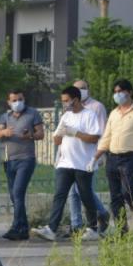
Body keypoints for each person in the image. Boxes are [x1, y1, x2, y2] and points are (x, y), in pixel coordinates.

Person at [32, 85, 104, 242]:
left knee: (85, 195)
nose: (64, 104)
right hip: (65, 163)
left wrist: (75, 133)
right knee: (59, 195)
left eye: (66, 101)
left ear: (76, 100)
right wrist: (61, 134)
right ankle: (51, 229)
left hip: (83, 163)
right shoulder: (66, 116)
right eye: (63, 101)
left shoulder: (89, 115)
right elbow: (56, 139)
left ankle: (92, 228)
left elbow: (94, 138)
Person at [92, 78, 133, 238]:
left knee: (127, 192)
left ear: (130, 92)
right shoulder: (113, 113)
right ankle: (122, 229)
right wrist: (95, 157)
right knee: (115, 196)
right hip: (112, 157)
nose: (118, 94)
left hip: (130, 158)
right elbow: (106, 137)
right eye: (115, 92)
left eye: (121, 91)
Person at [0, 90, 44, 241]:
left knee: (17, 192)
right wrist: (4, 133)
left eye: (20, 99)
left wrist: (30, 135)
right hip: (9, 160)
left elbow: (40, 134)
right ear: (9, 102)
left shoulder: (32, 113)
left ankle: (17, 227)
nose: (17, 103)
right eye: (14, 100)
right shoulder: (6, 116)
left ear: (24, 99)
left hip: (26, 159)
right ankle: (23, 227)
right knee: (14, 195)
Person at [68, 79, 112, 234]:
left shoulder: (96, 107)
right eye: (77, 89)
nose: (80, 91)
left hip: (90, 155)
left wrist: (98, 156)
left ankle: (101, 213)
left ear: (88, 89)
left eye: (83, 88)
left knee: (83, 190)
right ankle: (76, 225)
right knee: (73, 192)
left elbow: (102, 132)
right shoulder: (70, 107)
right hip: (73, 156)